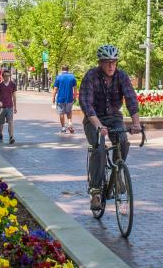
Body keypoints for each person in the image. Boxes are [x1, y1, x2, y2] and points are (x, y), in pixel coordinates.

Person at [79, 44, 141, 211]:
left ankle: (117, 172)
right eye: (107, 62)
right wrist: (99, 126)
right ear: (100, 63)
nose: (111, 66)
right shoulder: (91, 76)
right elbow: (85, 103)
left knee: (123, 141)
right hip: (93, 119)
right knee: (99, 148)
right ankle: (96, 192)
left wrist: (136, 123)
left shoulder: (121, 76)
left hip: (114, 118)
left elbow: (131, 99)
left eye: (114, 62)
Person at [52, 65, 78, 134]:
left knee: (61, 113)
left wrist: (53, 98)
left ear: (61, 69)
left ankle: (63, 128)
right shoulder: (72, 77)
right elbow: (75, 88)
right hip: (69, 98)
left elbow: (55, 89)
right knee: (69, 111)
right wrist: (75, 97)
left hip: (60, 98)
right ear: (68, 69)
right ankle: (69, 123)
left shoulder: (58, 77)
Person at [0, 68, 17, 144]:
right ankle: (1, 133)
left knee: (10, 122)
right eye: (5, 76)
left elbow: (14, 96)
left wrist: (15, 107)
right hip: (1, 107)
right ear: (3, 77)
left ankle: (11, 137)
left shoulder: (13, 85)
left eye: (8, 76)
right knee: (1, 123)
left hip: (10, 106)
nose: (7, 77)